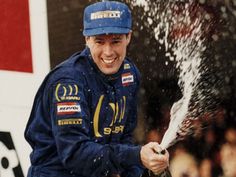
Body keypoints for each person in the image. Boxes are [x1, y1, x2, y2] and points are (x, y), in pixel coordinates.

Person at [24, 1, 169, 177]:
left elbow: (124, 139)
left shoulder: (130, 75)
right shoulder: (69, 82)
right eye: (99, 41)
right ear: (87, 39)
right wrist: (137, 156)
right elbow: (75, 155)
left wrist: (148, 166)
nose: (108, 52)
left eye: (115, 41)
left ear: (128, 37)